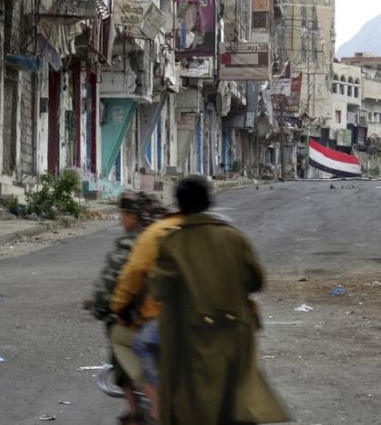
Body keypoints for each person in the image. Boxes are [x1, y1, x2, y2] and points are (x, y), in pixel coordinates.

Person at [148, 176, 288, 425]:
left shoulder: (173, 243)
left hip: (191, 339)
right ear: (208, 202)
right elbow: (255, 281)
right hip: (235, 335)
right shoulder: (233, 238)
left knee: (194, 406)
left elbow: (159, 289)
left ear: (179, 205)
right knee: (234, 403)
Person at [86, 191, 160, 424]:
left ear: (131, 217)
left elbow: (112, 286)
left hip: (143, 321)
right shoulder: (165, 236)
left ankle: (141, 408)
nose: (121, 218)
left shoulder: (131, 244)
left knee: (117, 337)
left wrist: (99, 307)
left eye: (123, 214)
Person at [110, 202, 183, 423]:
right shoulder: (217, 232)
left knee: (122, 339)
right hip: (212, 320)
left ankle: (155, 403)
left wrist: (118, 308)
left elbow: (131, 277)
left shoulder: (151, 237)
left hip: (165, 321)